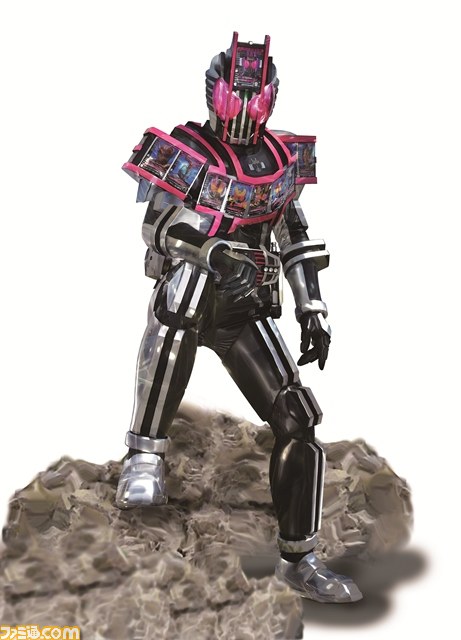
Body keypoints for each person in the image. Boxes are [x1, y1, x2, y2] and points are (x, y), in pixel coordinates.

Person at [115, 32, 362, 604]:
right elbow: (159, 228)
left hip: (245, 304)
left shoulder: (281, 159)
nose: (246, 109)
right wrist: (214, 253)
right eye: (238, 96)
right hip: (194, 290)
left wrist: (312, 308)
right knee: (181, 303)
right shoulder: (186, 149)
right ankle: (144, 454)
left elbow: (295, 238)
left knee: (298, 419)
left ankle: (300, 559)